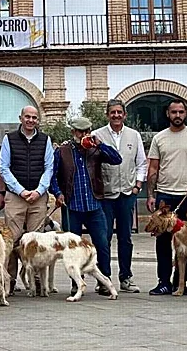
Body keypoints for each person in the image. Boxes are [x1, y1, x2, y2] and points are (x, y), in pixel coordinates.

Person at [145, 99, 187, 296]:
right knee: (163, 241)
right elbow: (153, 168)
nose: (177, 115)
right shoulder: (159, 138)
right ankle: (164, 282)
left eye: (181, 112)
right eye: (174, 112)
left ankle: (180, 283)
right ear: (168, 114)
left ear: (185, 113)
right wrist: (151, 195)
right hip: (165, 195)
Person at [50, 117, 122, 294]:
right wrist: (58, 193)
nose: (83, 135)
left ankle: (104, 282)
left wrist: (100, 144)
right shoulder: (62, 151)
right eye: (80, 131)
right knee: (72, 248)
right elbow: (53, 177)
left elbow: (117, 159)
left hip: (94, 205)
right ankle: (76, 283)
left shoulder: (96, 149)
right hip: (71, 206)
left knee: (102, 244)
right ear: (73, 132)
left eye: (87, 131)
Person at [96, 99, 147, 294]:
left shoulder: (134, 135)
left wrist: (138, 185)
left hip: (127, 194)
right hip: (106, 195)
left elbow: (141, 162)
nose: (116, 115)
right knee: (104, 238)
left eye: (119, 112)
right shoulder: (97, 135)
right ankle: (104, 279)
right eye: (113, 112)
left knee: (126, 238)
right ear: (107, 115)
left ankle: (126, 277)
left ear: (124, 115)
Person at [0, 105, 54, 285]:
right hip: (16, 197)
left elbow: (49, 168)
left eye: (34, 118)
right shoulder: (9, 139)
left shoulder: (45, 140)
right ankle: (9, 280)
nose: (31, 120)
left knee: (36, 240)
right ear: (21, 118)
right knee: (12, 240)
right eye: (27, 117)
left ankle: (36, 280)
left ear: (38, 120)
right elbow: (4, 168)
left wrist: (39, 190)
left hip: (38, 197)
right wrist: (20, 190)